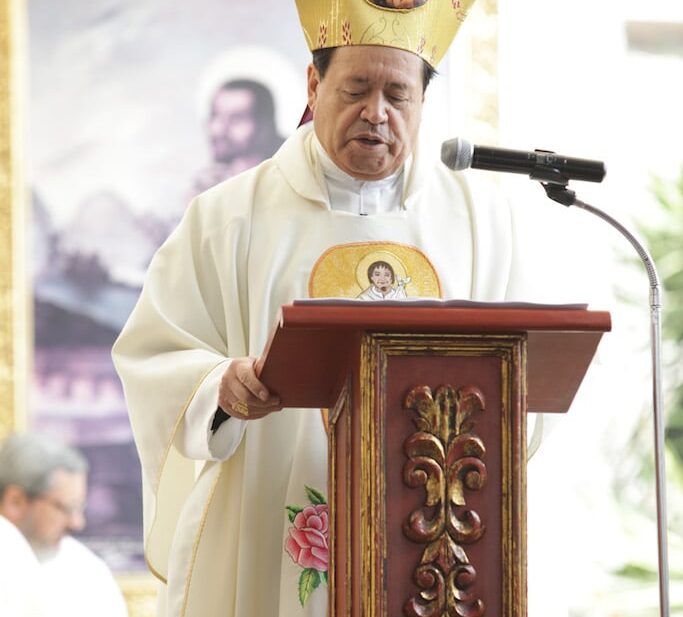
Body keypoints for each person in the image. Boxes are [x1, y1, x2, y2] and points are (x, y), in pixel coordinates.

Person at [112, 0, 559, 614]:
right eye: (355, 89)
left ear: (423, 104)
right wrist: (221, 388)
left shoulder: (481, 221)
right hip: (274, 521)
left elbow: (530, 382)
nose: (375, 113)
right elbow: (154, 351)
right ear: (313, 84)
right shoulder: (229, 217)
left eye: (397, 95)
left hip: (434, 537)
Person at [0, 433, 129, 617]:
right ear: (15, 501)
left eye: (80, 507)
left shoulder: (90, 575)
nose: (77, 523)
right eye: (66, 508)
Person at [192, 78, 286, 195]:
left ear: (264, 127)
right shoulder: (206, 186)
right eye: (215, 115)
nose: (218, 129)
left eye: (236, 119)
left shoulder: (286, 181)